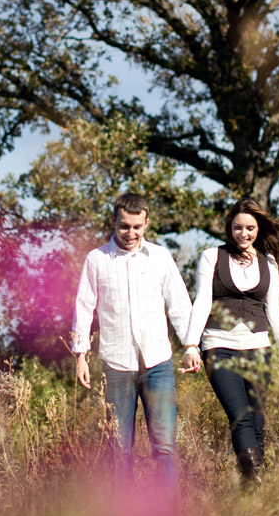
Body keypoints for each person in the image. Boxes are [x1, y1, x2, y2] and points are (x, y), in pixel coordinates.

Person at [72, 192, 192, 493]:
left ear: (147, 223)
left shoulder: (161, 257)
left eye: (137, 227)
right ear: (114, 222)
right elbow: (84, 307)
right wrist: (81, 355)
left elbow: (178, 304)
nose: (131, 233)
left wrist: (191, 345)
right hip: (117, 365)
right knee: (117, 447)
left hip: (157, 363)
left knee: (165, 445)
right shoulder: (97, 260)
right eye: (125, 226)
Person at [180, 197, 279, 485]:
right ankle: (260, 480)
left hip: (259, 349)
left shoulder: (268, 262)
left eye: (249, 228)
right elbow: (203, 302)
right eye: (237, 228)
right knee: (241, 416)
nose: (243, 234)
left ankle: (252, 492)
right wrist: (191, 345)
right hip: (219, 348)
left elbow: (275, 312)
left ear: (258, 229)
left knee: (257, 422)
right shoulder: (211, 257)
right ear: (229, 228)